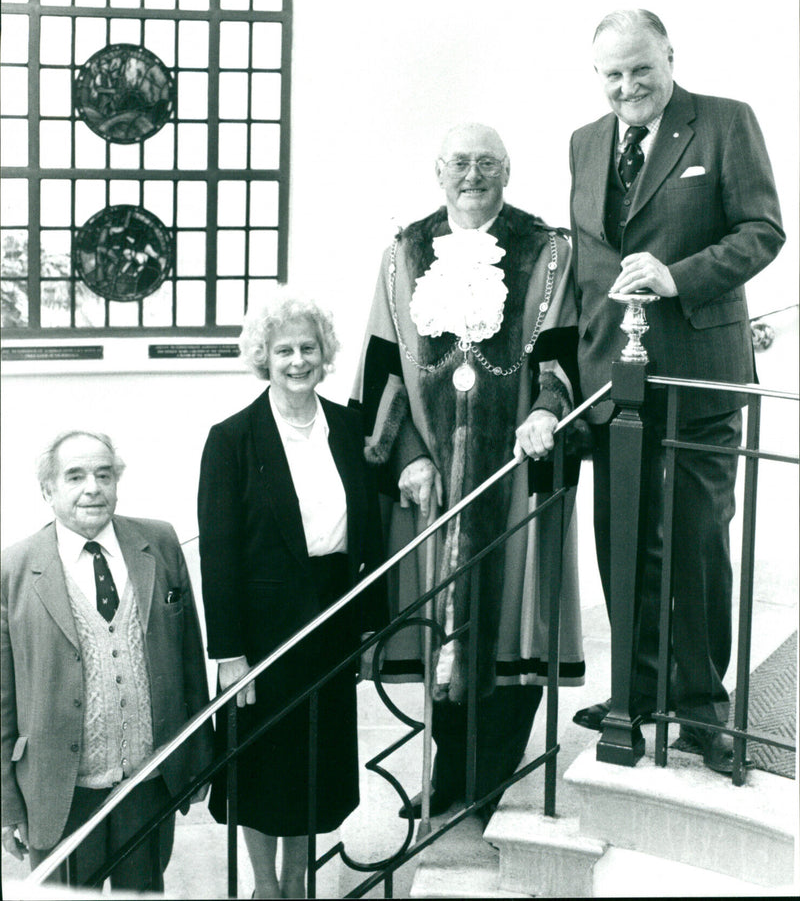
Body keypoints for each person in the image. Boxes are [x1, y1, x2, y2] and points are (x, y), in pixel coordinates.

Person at [568, 9, 785, 772]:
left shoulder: (725, 123)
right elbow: (590, 260)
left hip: (701, 374)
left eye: (642, 69)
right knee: (621, 542)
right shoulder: (584, 142)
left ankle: (700, 707)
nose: (628, 85)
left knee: (694, 541)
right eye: (613, 74)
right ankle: (632, 694)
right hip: (613, 381)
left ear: (670, 58)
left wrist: (677, 276)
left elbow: (762, 230)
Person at [352, 122, 585, 823]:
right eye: (459, 162)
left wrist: (546, 409)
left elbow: (566, 349)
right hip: (431, 480)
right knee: (441, 624)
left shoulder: (547, 252)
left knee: (514, 625)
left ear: (507, 170)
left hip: (516, 467)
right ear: (438, 171)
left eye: (487, 162)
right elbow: (381, 368)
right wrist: (407, 455)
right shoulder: (401, 255)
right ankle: (449, 771)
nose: (472, 174)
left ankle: (488, 778)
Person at [198, 289, 386, 900]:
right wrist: (229, 654)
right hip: (261, 631)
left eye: (308, 348)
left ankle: (299, 881)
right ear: (264, 357)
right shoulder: (231, 439)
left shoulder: (348, 428)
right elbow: (217, 556)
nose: (298, 361)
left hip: (332, 619)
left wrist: (370, 626)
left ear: (324, 354)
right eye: (284, 350)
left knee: (313, 762)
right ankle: (264, 887)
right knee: (260, 764)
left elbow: (372, 535)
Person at [1, 430, 212, 891]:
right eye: (75, 476)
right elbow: (2, 701)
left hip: (149, 780)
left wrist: (198, 758)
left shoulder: (159, 542)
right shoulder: (13, 569)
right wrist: (7, 805)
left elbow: (190, 659)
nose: (93, 488)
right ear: (47, 490)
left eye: (104, 474)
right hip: (60, 792)